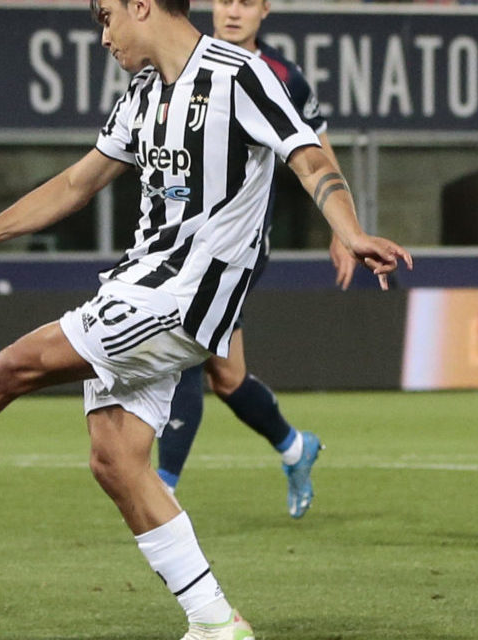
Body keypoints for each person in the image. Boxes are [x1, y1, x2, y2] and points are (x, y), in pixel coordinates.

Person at [0, 1, 411, 638]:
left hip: (182, 298)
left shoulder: (241, 76)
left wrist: (348, 231)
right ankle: (215, 620)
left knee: (16, 366)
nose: (103, 36)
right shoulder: (141, 95)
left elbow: (311, 159)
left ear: (141, 6)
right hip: (141, 283)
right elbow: (77, 183)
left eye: (105, 17)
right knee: (115, 459)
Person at [155, 0, 360, 518]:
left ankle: (162, 488)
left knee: (185, 348)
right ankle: (295, 447)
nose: (232, 11)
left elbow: (316, 152)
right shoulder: (184, 63)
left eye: (246, 1)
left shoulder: (281, 78)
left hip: (237, 248)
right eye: (224, 0)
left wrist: (344, 229)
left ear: (265, 9)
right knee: (226, 376)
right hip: (180, 241)